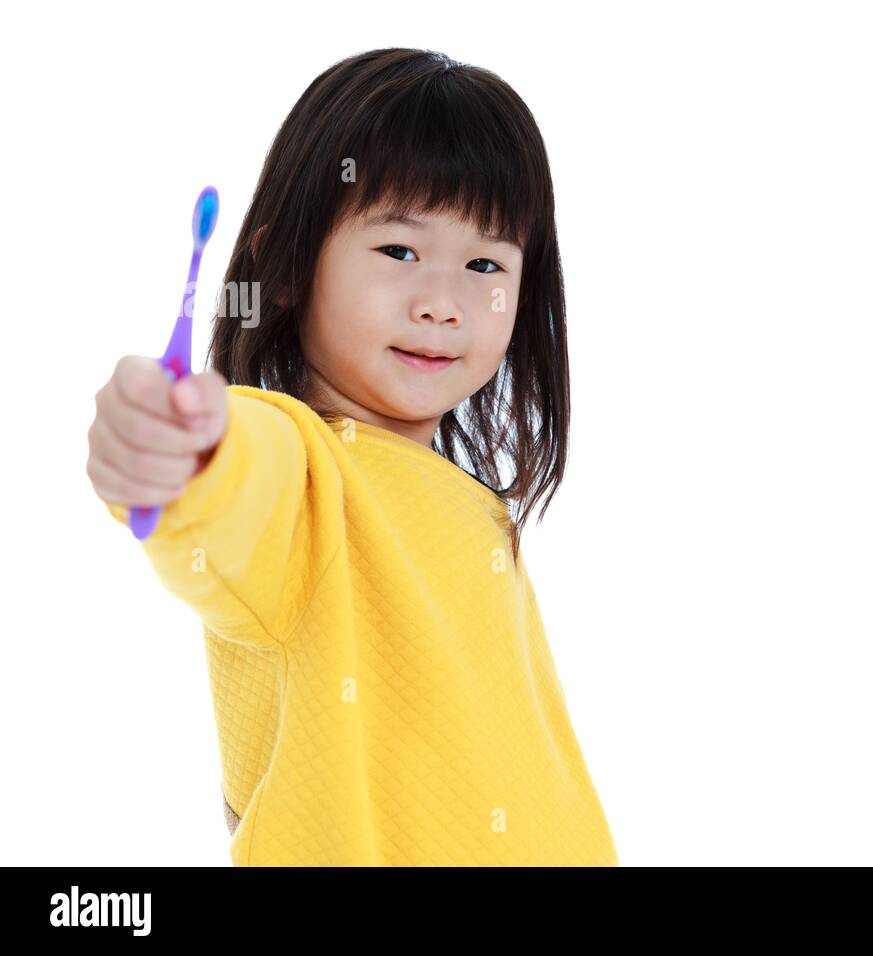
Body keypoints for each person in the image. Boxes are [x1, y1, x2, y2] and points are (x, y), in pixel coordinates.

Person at [86, 47, 618, 866]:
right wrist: (181, 444)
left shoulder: (468, 505)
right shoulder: (306, 476)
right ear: (289, 267)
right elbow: (237, 478)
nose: (442, 303)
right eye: (399, 252)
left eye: (485, 264)